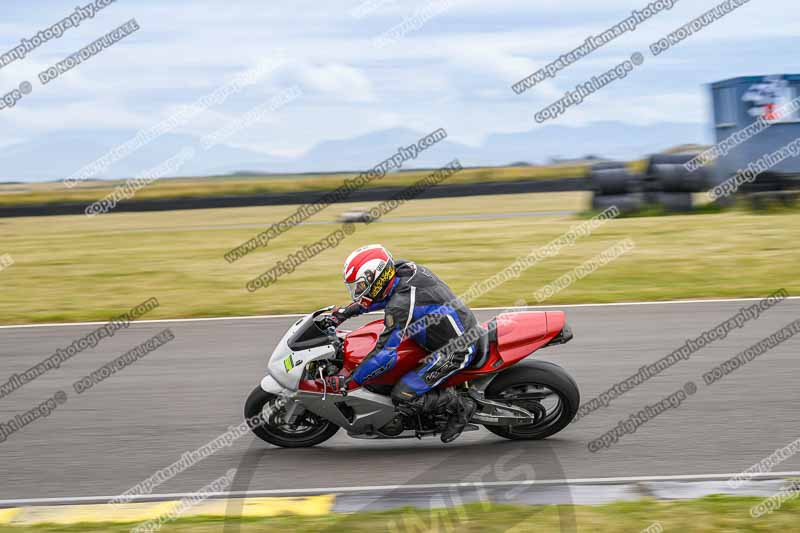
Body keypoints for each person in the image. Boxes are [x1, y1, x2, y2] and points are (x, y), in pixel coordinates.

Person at [321, 244, 479, 443]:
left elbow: (384, 355)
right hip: (438, 331)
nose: (357, 291)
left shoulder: (400, 305)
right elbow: (379, 297)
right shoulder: (400, 271)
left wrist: (350, 382)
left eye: (360, 285)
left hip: (456, 348)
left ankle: (461, 407)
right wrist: (344, 313)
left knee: (403, 394)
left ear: (376, 279)